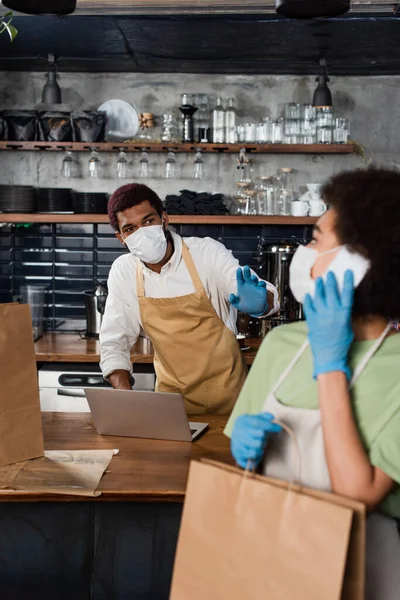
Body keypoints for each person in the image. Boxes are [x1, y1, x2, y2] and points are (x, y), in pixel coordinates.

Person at [225, 167, 400, 599]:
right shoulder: (281, 344)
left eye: (317, 239)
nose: (304, 251)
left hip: (361, 573)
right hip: (266, 561)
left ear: (356, 264)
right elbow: (247, 473)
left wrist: (329, 361)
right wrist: (241, 452)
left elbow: (357, 494)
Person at [100, 183, 279, 414]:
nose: (142, 233)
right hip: (171, 408)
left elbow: (258, 291)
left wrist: (262, 301)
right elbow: (114, 342)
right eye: (130, 229)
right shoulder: (123, 272)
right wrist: (124, 395)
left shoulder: (207, 253)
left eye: (148, 221)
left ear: (164, 219)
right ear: (121, 238)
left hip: (231, 405)